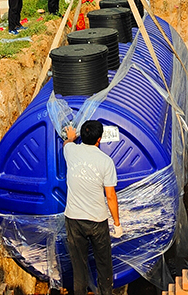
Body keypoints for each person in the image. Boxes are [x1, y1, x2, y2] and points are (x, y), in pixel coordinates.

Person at [62, 121, 121, 295]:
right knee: (104, 265)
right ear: (99, 139)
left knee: (78, 267)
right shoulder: (106, 162)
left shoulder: (70, 151)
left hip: (73, 220)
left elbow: (67, 144)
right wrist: (117, 223)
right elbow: (110, 196)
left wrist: (70, 137)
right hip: (97, 221)